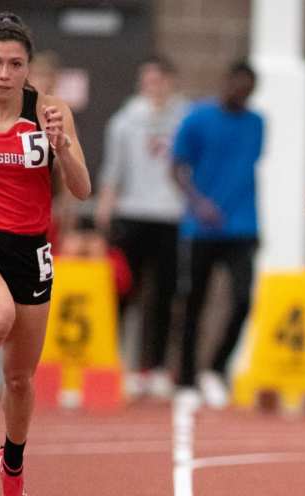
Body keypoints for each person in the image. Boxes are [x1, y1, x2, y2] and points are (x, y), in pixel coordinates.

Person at [0, 12, 91, 496]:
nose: (4, 74)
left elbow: (82, 190)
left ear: (28, 69)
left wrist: (62, 150)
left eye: (15, 64)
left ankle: (12, 471)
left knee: (20, 379)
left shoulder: (50, 113)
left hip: (30, 250)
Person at [171, 61, 263, 409]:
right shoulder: (197, 118)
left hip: (243, 226)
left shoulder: (257, 123)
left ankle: (216, 367)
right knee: (193, 300)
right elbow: (176, 167)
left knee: (242, 299)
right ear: (226, 83)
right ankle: (187, 378)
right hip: (201, 227)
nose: (241, 95)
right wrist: (198, 203)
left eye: (248, 90)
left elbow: (246, 169)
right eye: (237, 87)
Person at [95, 56, 188, 399]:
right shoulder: (124, 122)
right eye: (146, 81)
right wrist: (107, 205)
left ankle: (156, 367)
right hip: (133, 214)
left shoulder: (185, 119)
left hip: (172, 217)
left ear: (170, 81)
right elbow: (112, 170)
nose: (152, 87)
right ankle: (117, 361)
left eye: (158, 80)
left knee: (165, 296)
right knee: (123, 293)